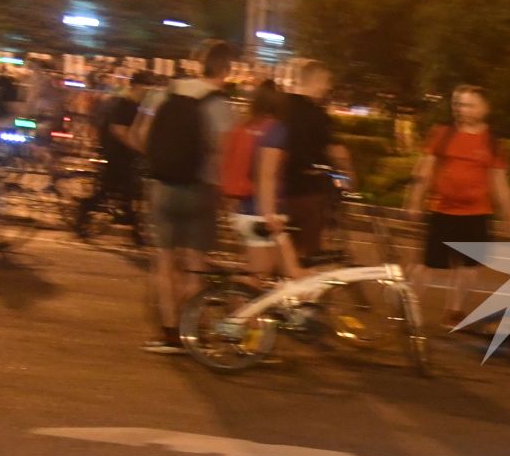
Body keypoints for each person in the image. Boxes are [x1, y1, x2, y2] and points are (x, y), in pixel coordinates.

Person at [133, 40, 238, 354]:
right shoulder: (219, 104)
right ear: (225, 69)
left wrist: (159, 161)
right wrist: (224, 193)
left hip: (162, 187)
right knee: (195, 265)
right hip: (200, 190)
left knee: (164, 262)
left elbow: (138, 135)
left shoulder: (163, 92)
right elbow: (223, 153)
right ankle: (192, 330)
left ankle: (170, 334)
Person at [408, 85, 510, 329]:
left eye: (469, 104)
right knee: (426, 266)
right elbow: (424, 169)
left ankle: (454, 312)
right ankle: (407, 310)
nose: (462, 109)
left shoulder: (492, 143)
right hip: (441, 211)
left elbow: (500, 183)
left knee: (469, 269)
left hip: (476, 214)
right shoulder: (442, 134)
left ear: (484, 107)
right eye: (459, 104)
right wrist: (415, 199)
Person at [277, 59, 353, 262]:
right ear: (316, 81)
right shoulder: (317, 114)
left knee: (283, 253)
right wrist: (348, 177)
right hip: (307, 193)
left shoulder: (280, 107)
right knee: (308, 256)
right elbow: (337, 152)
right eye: (326, 81)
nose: (328, 87)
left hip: (277, 191)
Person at [222, 79, 295, 281]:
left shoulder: (243, 126)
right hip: (261, 215)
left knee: (267, 273)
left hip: (244, 209)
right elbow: (267, 175)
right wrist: (268, 214)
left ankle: (236, 299)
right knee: (260, 276)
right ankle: (234, 304)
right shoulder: (275, 130)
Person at [73, 69, 150, 243]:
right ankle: (85, 211)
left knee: (128, 191)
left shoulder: (135, 104)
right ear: (136, 86)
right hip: (117, 153)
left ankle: (134, 227)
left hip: (124, 154)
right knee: (111, 189)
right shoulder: (125, 104)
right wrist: (141, 148)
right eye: (145, 87)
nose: (147, 92)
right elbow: (119, 131)